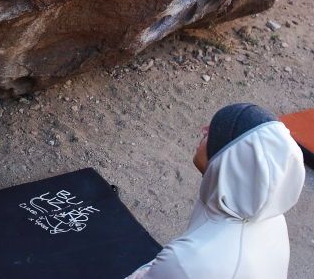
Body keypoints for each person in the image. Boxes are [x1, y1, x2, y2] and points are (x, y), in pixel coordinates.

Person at [127, 103, 306, 279]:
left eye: (214, 134)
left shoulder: (188, 262)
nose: (204, 130)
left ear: (231, 165)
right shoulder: (271, 217)